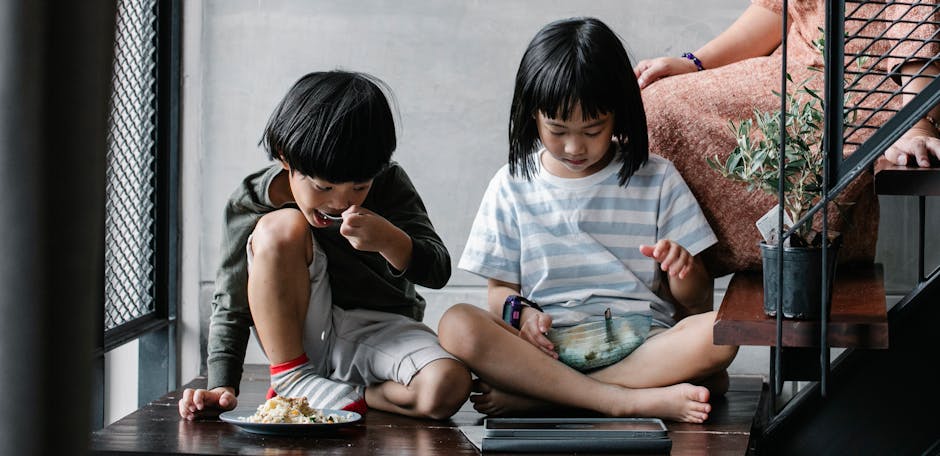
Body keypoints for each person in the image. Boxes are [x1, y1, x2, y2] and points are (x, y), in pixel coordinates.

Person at [438, 17, 739, 423]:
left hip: (641, 345)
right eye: (557, 130)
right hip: (545, 349)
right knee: (456, 324)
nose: (574, 147)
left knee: (721, 334)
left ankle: (546, 397)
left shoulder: (657, 178)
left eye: (593, 130)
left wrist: (682, 269)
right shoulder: (511, 185)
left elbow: (696, 300)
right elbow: (500, 293)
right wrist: (523, 314)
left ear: (618, 115)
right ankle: (620, 399)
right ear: (532, 116)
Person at [178, 71, 472, 421]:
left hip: (380, 330)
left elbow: (438, 269)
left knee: (449, 384)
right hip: (299, 337)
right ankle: (292, 378)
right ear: (286, 158)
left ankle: (345, 394)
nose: (341, 202)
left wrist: (390, 240)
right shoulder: (252, 201)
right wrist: (221, 384)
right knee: (280, 228)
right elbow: (231, 298)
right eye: (324, 187)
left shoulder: (389, 184)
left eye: (359, 187)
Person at [634, 0, 940, 276]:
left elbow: (917, 15)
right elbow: (778, 8)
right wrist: (693, 63)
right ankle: (674, 286)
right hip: (794, 68)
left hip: (872, 85)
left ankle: (797, 260)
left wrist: (917, 120)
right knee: (655, 106)